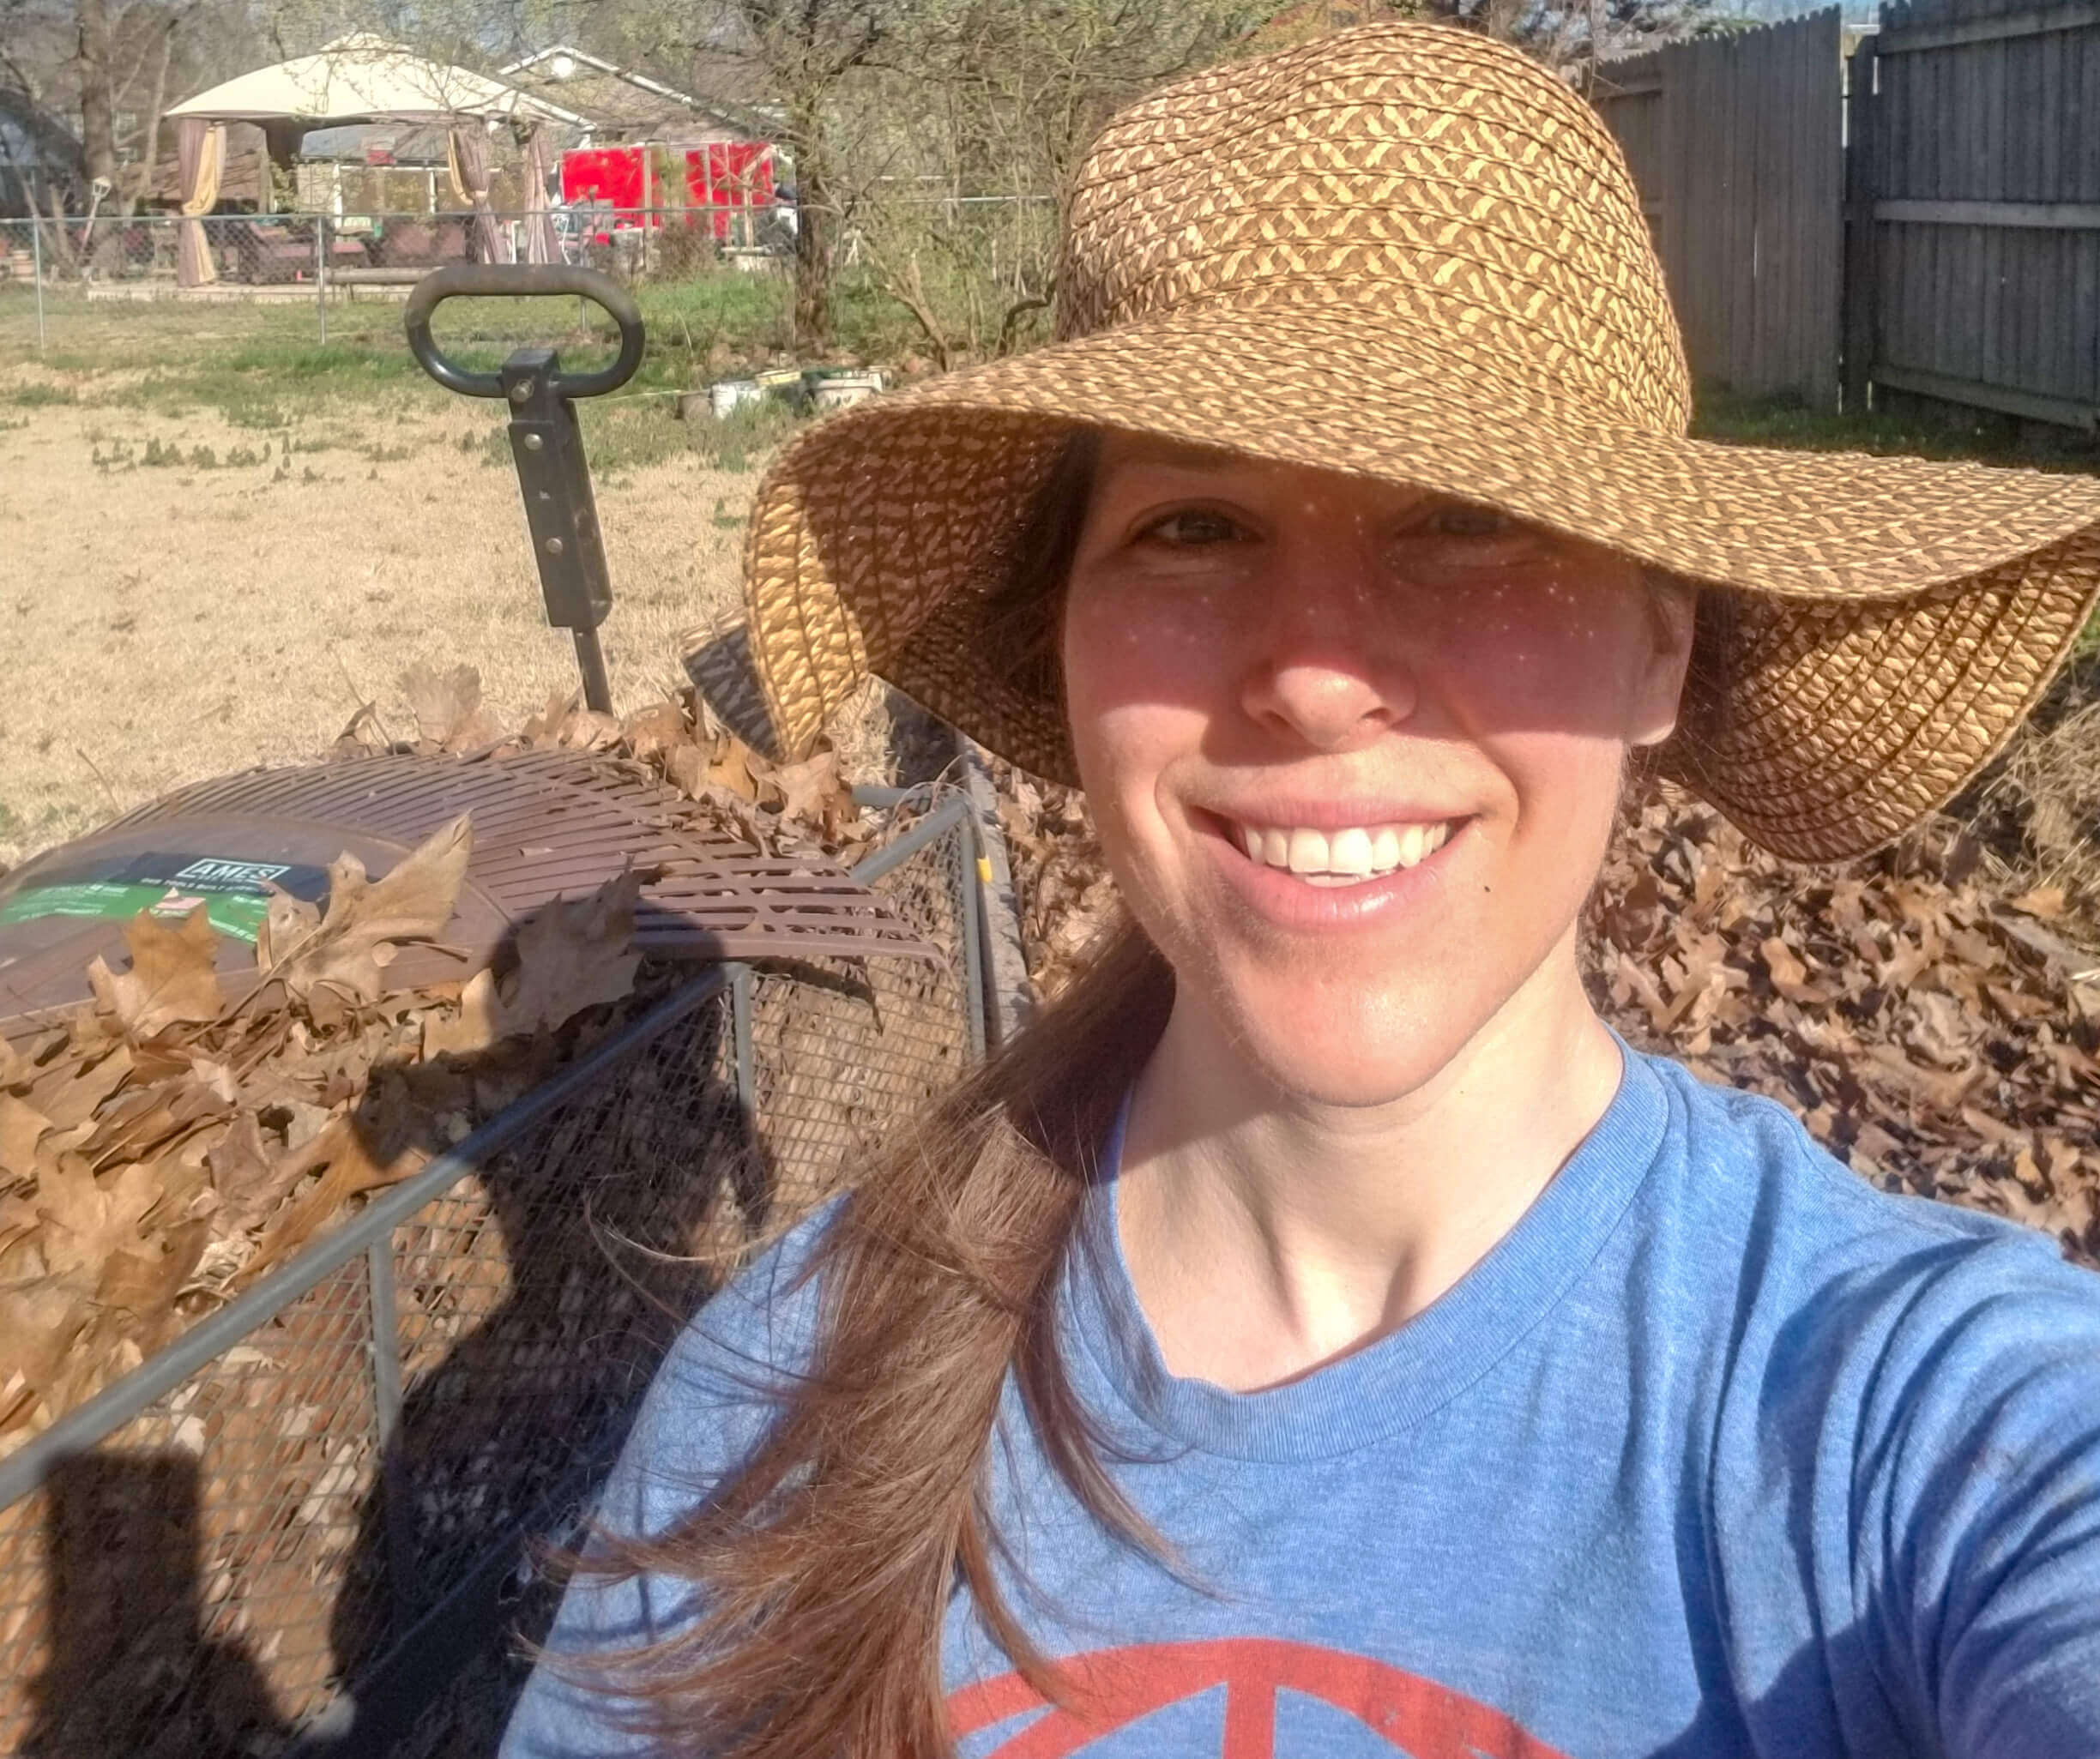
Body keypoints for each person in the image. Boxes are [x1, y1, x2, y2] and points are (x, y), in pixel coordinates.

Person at [503, 23, 2100, 1758]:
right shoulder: (784, 1413)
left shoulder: (1920, 1430)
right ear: (1070, 640)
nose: (1320, 677)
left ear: (1664, 640)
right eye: (1195, 528)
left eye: (1471, 520)